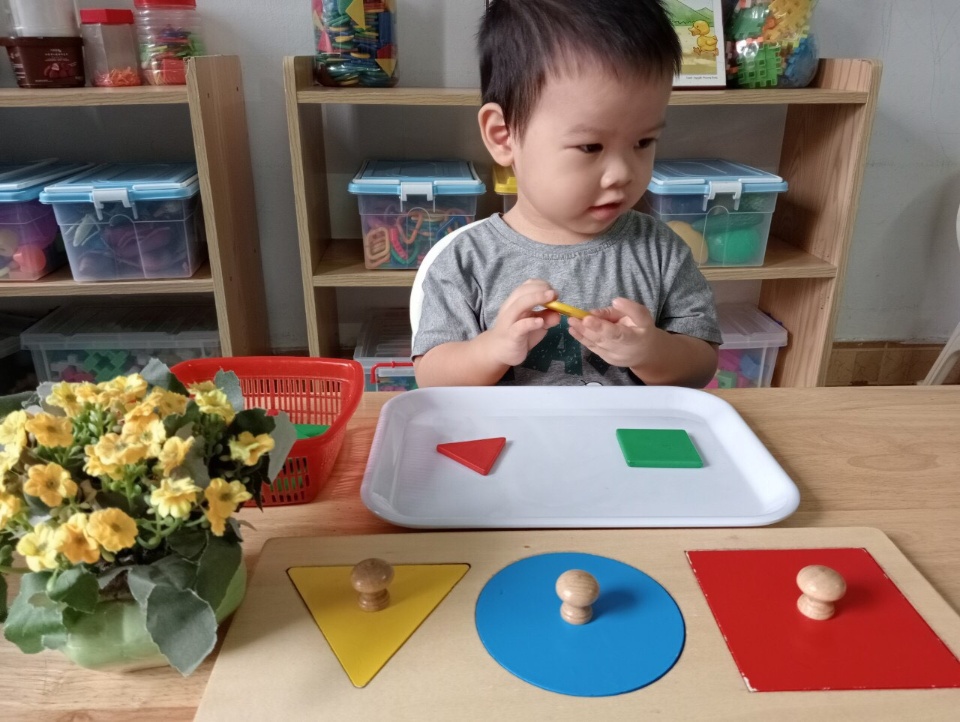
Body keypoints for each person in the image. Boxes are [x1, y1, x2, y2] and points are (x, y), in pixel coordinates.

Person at [410, 0, 721, 387]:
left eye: (643, 142)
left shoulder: (662, 252)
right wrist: (492, 350)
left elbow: (701, 366)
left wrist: (651, 351)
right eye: (590, 147)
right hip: (510, 428)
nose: (623, 173)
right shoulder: (466, 261)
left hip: (628, 427)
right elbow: (432, 378)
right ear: (503, 136)